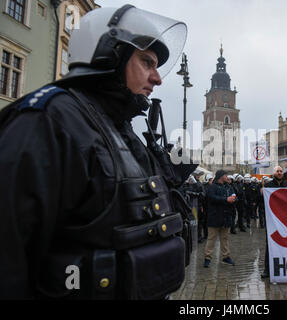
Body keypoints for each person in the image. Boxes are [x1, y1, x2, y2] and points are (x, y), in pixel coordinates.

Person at [0, 5, 193, 299]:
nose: (157, 78)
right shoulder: (48, 121)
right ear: (110, 54)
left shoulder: (119, 127)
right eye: (147, 62)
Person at [260, 166, 287, 279]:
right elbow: (261, 203)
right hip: (272, 220)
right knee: (270, 243)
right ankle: (267, 269)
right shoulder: (267, 186)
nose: (279, 173)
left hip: (285, 220)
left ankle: (286, 266)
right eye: (277, 171)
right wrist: (261, 193)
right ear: (274, 173)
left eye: (281, 171)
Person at [204, 170, 236, 267]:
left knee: (225, 238)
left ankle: (226, 257)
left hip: (226, 217)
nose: (227, 177)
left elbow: (234, 197)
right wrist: (226, 199)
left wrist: (234, 199)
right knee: (211, 238)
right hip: (214, 216)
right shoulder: (212, 187)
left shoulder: (229, 187)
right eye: (226, 175)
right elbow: (211, 198)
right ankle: (207, 258)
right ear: (221, 176)